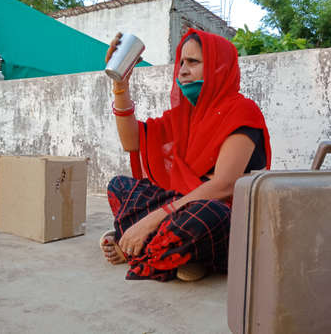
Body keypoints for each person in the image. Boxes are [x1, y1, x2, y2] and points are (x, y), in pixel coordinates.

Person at [100, 28, 271, 282]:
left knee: (203, 216)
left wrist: (151, 220)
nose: (182, 71)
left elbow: (223, 186)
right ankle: (178, 256)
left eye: (193, 62)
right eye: (180, 62)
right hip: (182, 203)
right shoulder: (183, 117)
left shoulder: (241, 111)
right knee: (119, 186)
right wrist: (120, 85)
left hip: (222, 215)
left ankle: (138, 246)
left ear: (217, 67)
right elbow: (132, 141)